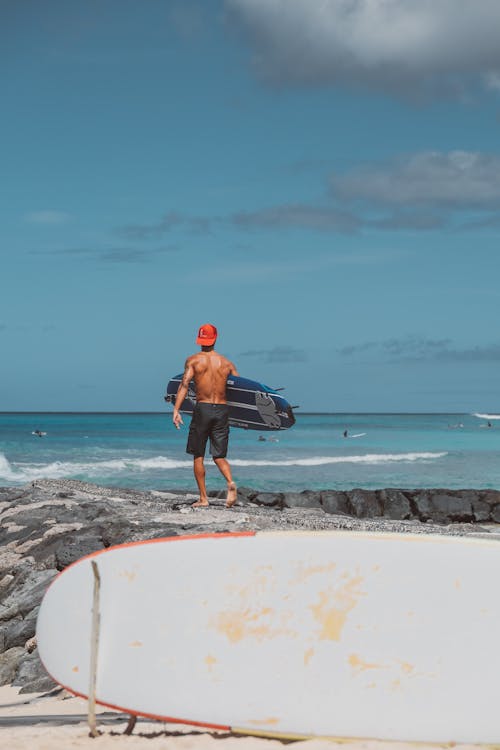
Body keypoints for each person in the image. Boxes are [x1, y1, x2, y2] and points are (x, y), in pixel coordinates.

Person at [173, 323, 238, 508]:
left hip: (203, 409)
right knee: (219, 456)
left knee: (198, 454)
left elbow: (184, 384)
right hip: (222, 409)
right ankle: (230, 482)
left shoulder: (194, 360)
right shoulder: (227, 363)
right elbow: (238, 390)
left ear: (200, 340)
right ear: (215, 338)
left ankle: (203, 498)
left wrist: (176, 410)